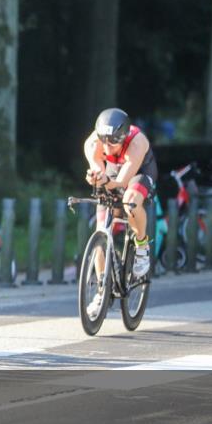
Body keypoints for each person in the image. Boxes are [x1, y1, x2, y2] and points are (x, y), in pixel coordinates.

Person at [82, 108, 158, 314]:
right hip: (112, 171)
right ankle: (101, 290)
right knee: (100, 230)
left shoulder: (137, 142)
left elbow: (122, 181)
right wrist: (97, 177)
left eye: (112, 143)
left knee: (130, 200)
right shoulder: (93, 143)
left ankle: (142, 247)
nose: (106, 147)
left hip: (139, 172)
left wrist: (109, 181)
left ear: (123, 138)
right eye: (103, 141)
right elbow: (98, 168)